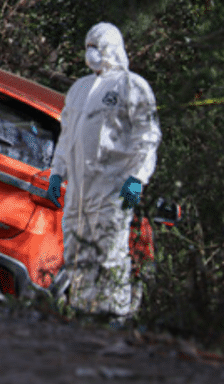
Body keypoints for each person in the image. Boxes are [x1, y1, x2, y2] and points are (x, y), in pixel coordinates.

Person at [46, 22, 161, 321]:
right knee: (76, 249)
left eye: (96, 46)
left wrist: (136, 178)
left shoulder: (132, 86)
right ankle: (82, 311)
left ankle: (114, 316)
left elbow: (147, 137)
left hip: (113, 187)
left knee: (110, 252)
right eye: (87, 47)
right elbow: (67, 135)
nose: (91, 53)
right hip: (79, 190)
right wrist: (57, 172)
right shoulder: (79, 89)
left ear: (112, 46)